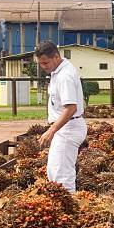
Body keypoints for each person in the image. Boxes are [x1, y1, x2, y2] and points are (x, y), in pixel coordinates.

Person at [36, 41, 87, 193]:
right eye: (40, 63)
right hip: (65, 128)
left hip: (69, 129)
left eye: (45, 62)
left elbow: (71, 107)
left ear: (56, 56)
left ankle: (70, 209)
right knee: (54, 171)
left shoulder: (65, 75)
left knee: (62, 176)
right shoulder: (58, 71)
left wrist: (51, 131)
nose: (43, 66)